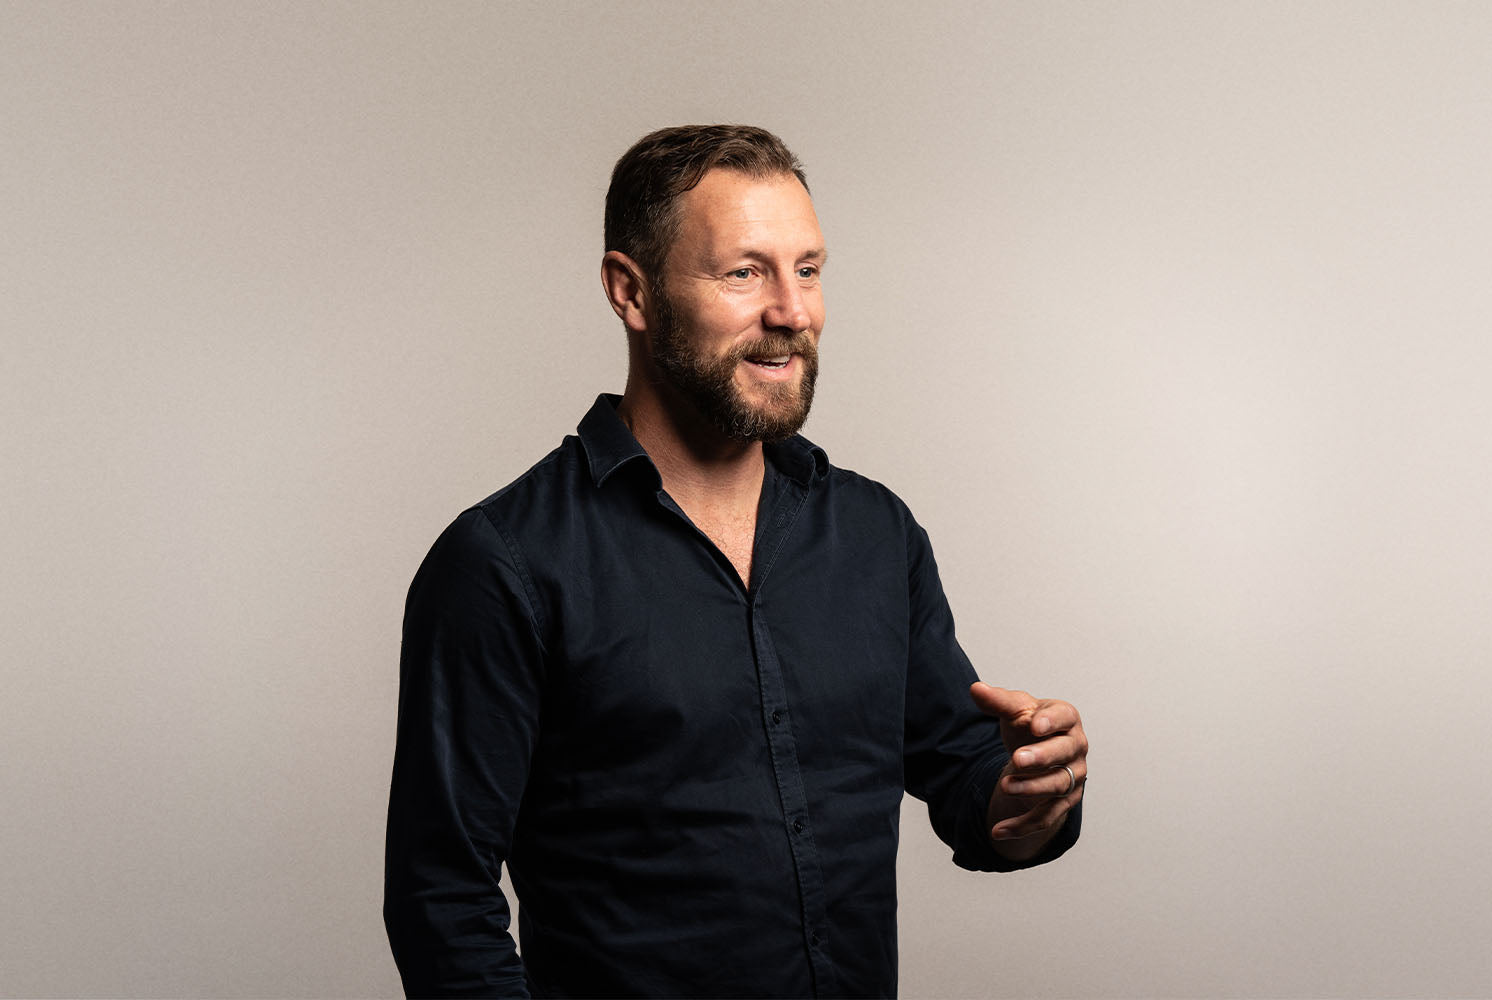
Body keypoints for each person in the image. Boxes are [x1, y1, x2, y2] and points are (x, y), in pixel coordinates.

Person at [384, 124, 1088, 998]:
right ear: (630, 292)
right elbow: (439, 901)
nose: (792, 311)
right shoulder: (503, 563)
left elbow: (965, 782)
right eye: (745, 272)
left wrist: (1028, 798)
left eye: (809, 269)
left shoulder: (876, 534)